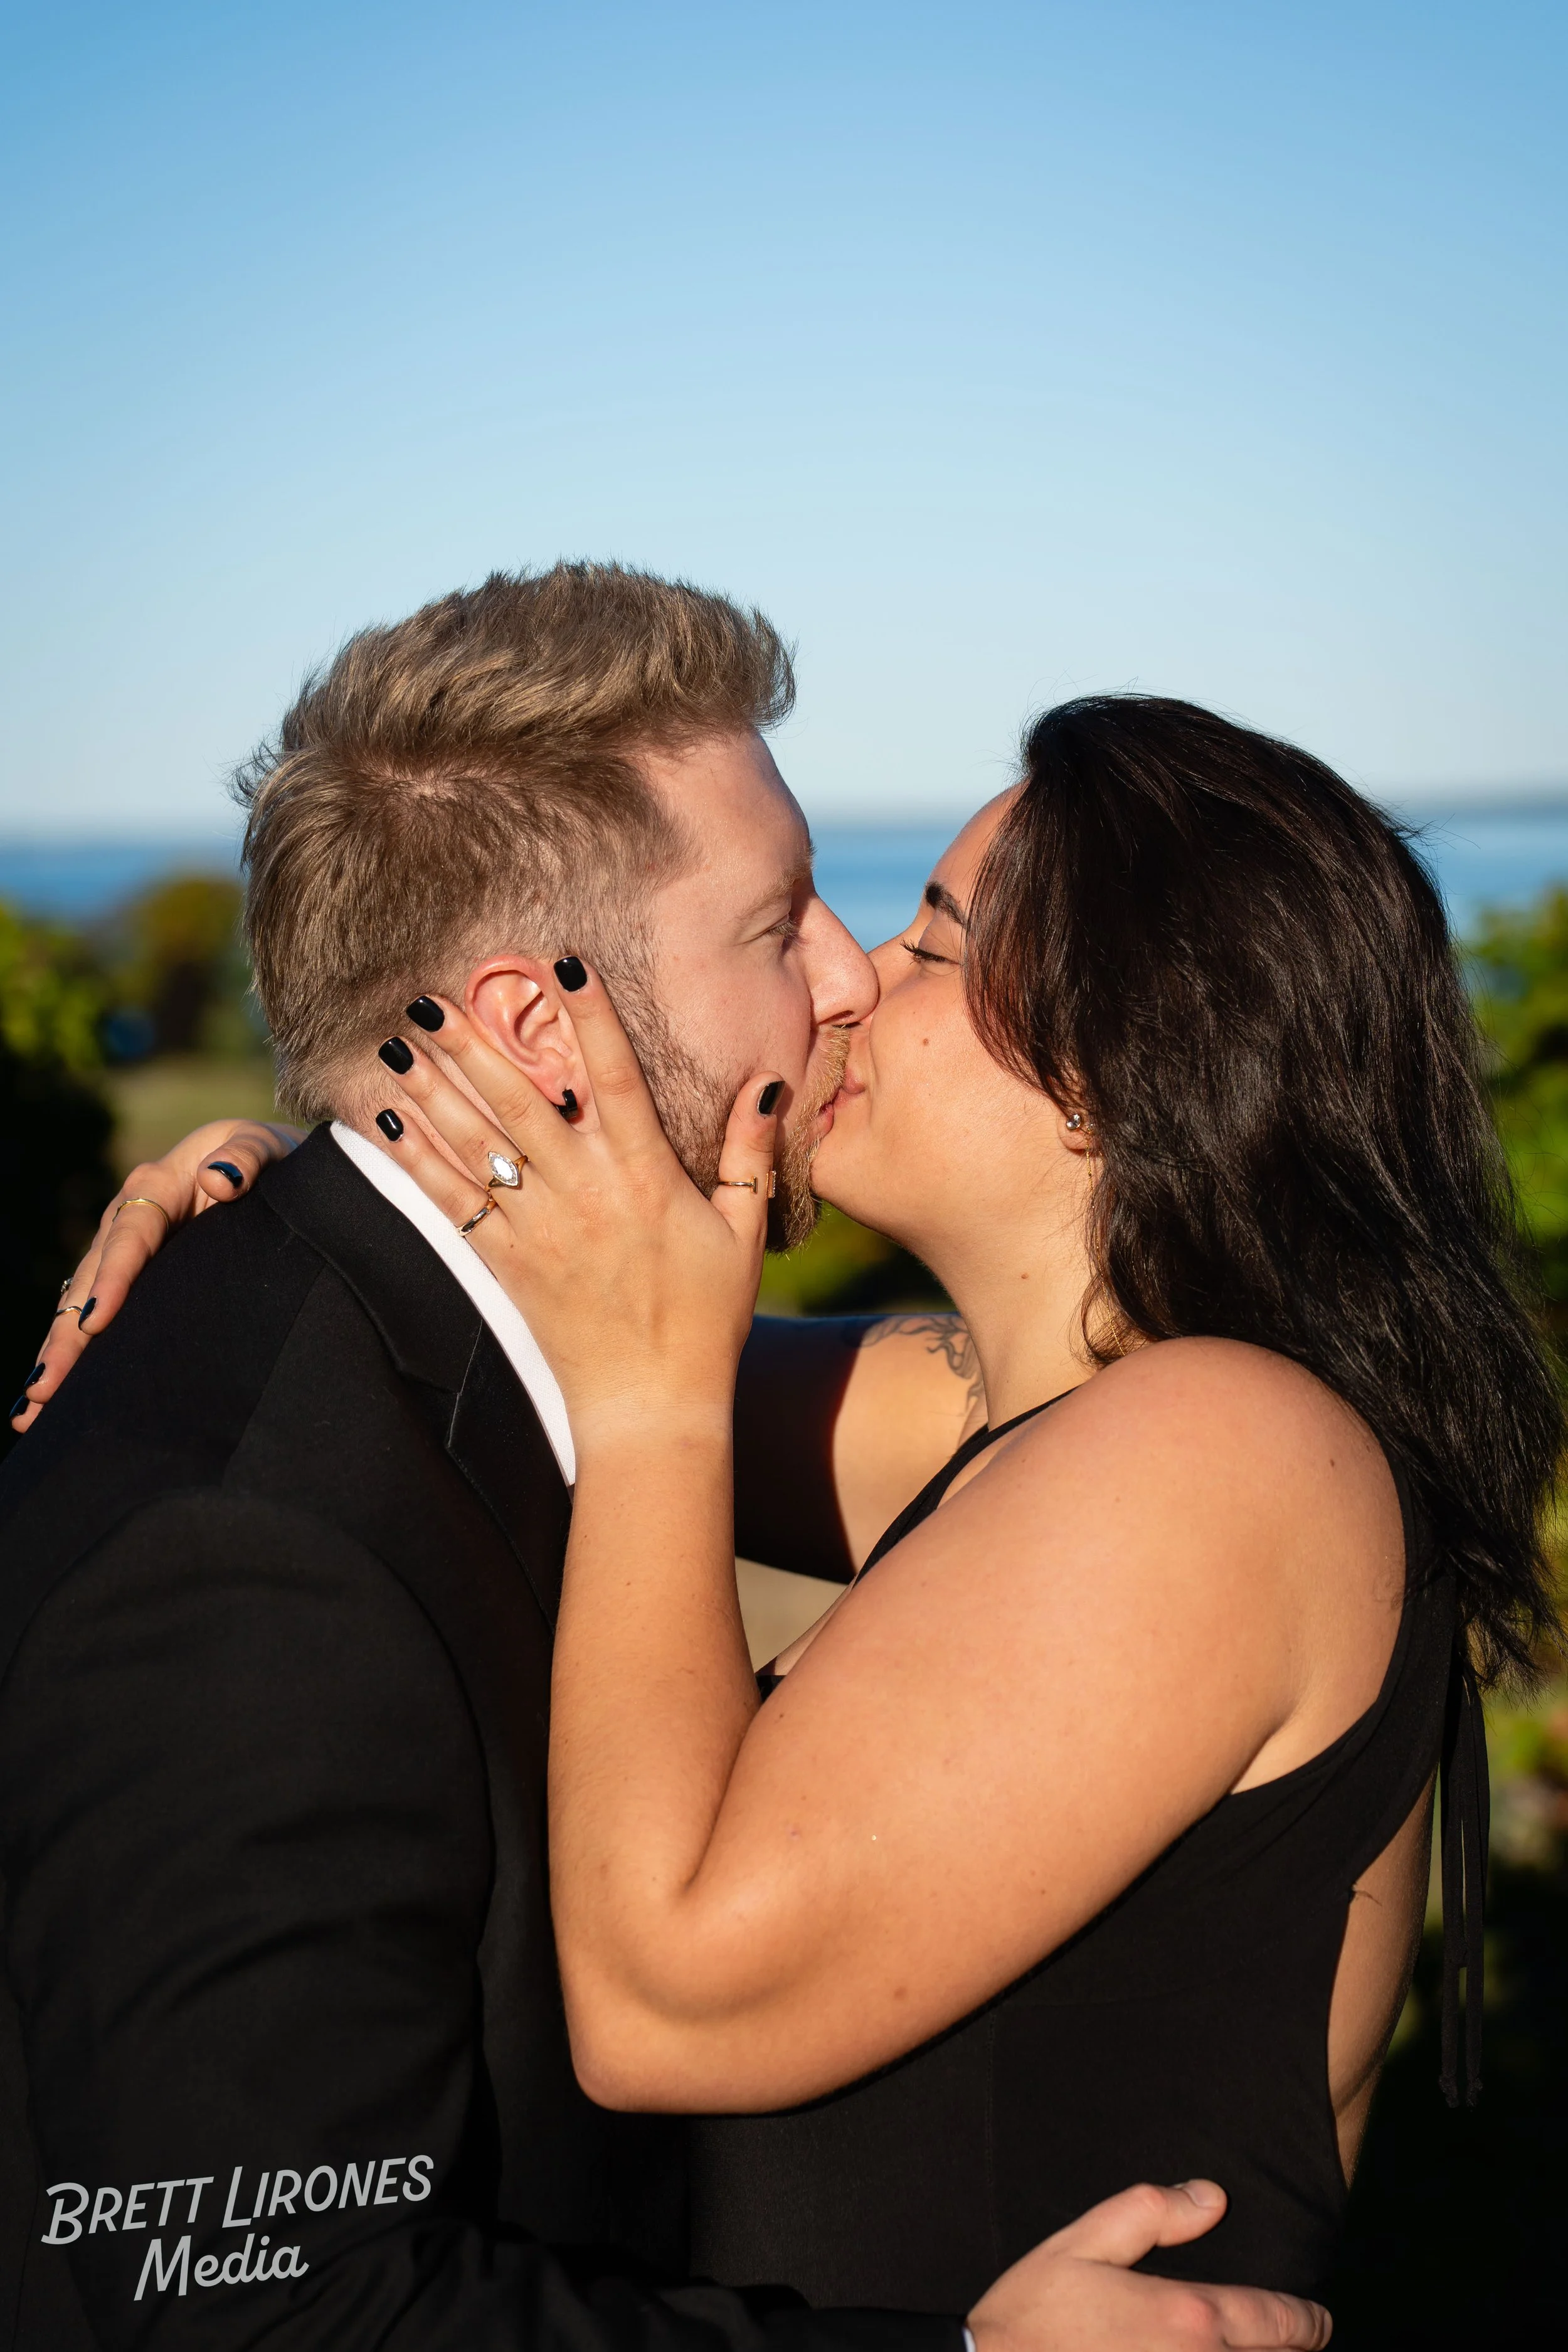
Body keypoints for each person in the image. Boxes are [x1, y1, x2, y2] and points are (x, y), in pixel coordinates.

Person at [0, 570, 1328, 2352]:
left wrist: (321, 1166)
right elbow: (252, 2303)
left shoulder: (554, 1365)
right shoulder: (254, 1553)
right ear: (536, 1028)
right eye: (779, 921)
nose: (844, 978)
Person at [319, 695, 1559, 2309]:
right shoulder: (1008, 1412)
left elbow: (667, 1999)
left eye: (925, 944)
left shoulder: (1215, 1453)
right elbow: (513, 1344)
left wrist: (649, 1408)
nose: (843, 987)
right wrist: (293, 1204)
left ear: (1114, 1070)